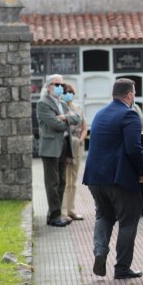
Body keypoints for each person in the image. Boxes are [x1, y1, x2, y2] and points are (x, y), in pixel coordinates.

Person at [83, 78, 143, 279]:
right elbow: (133, 148)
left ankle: (99, 251)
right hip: (119, 179)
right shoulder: (129, 114)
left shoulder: (99, 114)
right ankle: (122, 268)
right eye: (135, 93)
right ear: (130, 95)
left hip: (95, 178)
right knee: (128, 221)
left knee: (103, 215)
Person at [36, 74, 81, 227]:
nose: (60, 88)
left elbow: (77, 118)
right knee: (52, 183)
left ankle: (57, 214)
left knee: (62, 181)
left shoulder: (62, 102)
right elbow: (55, 125)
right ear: (49, 87)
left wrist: (64, 118)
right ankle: (54, 216)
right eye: (57, 84)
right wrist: (66, 120)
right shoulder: (43, 103)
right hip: (50, 148)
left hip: (64, 145)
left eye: (62, 85)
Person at [62, 82, 87, 221]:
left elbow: (84, 127)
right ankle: (63, 211)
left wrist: (81, 140)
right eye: (66, 92)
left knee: (73, 179)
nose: (69, 95)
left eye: (71, 92)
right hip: (66, 147)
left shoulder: (78, 108)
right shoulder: (60, 108)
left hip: (78, 146)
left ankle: (71, 209)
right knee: (65, 179)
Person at [132, 99, 143, 216]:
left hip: (139, 145)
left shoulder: (136, 107)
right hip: (132, 147)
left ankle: (141, 207)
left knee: (141, 179)